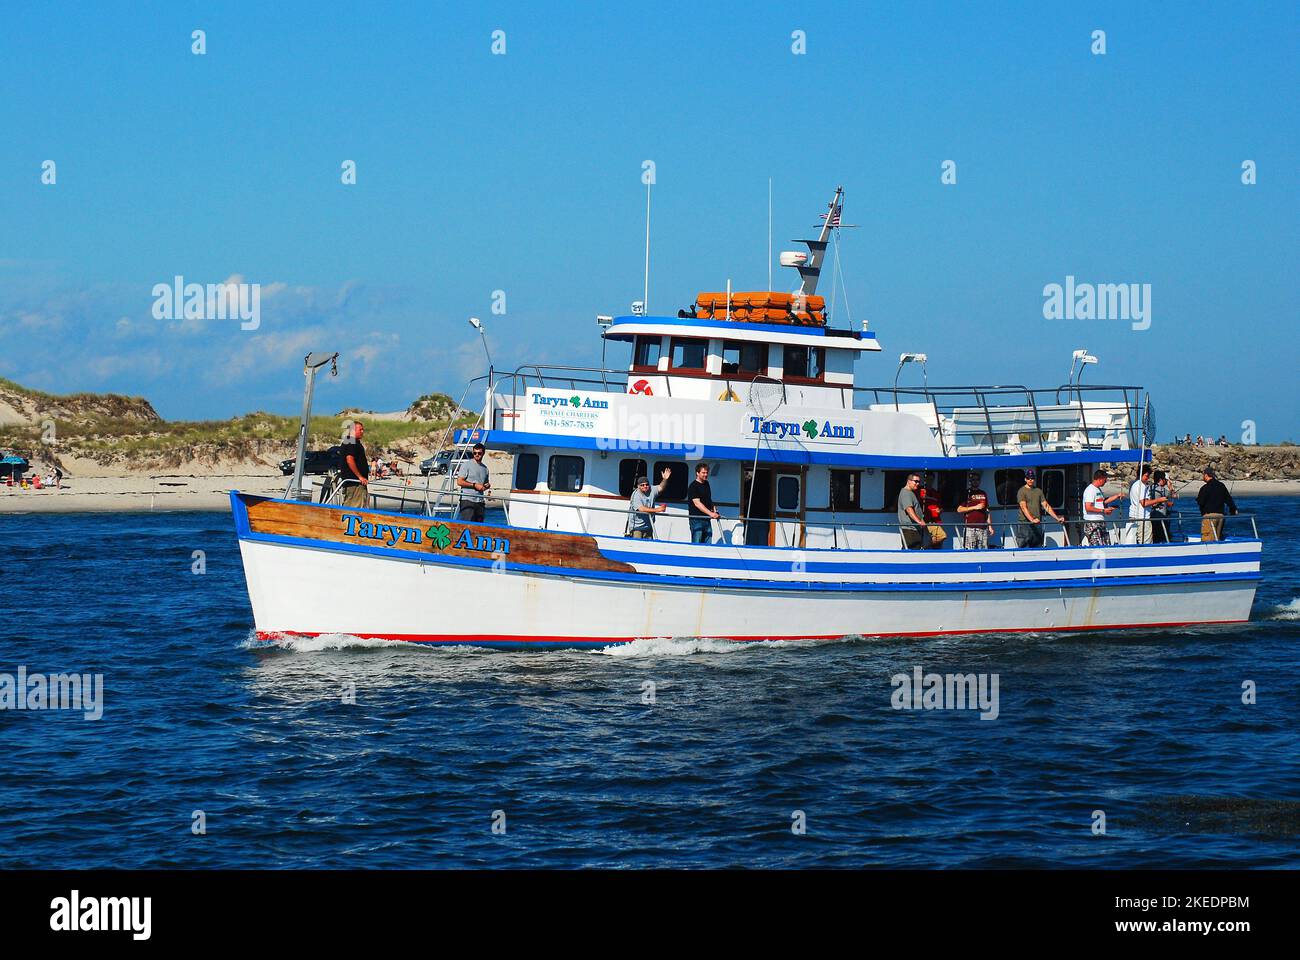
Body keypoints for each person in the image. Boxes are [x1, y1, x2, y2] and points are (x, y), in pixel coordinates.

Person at [1016, 468, 1064, 548]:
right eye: (1028, 478)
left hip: (1037, 524)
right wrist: (1032, 520)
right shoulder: (1021, 491)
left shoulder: (1038, 491)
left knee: (1037, 548)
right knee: (1023, 549)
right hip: (1024, 524)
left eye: (1032, 478)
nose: (1030, 480)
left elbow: (1046, 506)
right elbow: (1023, 507)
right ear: (1025, 479)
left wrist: (1057, 518)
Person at [625, 468, 672, 539]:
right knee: (637, 546)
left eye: (647, 484)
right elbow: (641, 509)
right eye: (642, 485)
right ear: (638, 486)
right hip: (637, 528)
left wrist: (665, 479)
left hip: (649, 526)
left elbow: (661, 487)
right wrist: (658, 509)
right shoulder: (635, 495)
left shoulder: (651, 489)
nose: (645, 486)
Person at [1082, 469, 1124, 546]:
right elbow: (1088, 507)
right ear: (1100, 479)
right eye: (1105, 480)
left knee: (1105, 544)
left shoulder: (1098, 490)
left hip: (1100, 522)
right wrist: (1103, 510)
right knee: (1097, 546)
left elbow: (1102, 502)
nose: (1106, 482)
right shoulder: (1090, 490)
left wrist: (1117, 496)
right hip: (1092, 522)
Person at [1195, 466, 1237, 542]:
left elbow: (1200, 502)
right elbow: (1229, 500)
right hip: (1221, 516)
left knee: (1207, 539)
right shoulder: (1221, 486)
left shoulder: (1205, 488)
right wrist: (1233, 510)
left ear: (1206, 475)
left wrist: (1198, 500)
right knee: (1218, 538)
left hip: (1209, 516)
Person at [1127, 465, 1164, 544]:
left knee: (1137, 540)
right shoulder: (1141, 486)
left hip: (1135, 516)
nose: (1147, 478)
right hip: (1141, 518)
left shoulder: (1134, 484)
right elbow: (1144, 503)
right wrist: (1159, 499)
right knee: (1146, 542)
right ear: (1141, 474)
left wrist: (1154, 504)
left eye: (1148, 476)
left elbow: (1141, 503)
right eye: (1146, 476)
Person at [956, 471, 993, 550]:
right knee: (970, 551)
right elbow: (959, 509)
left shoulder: (983, 493)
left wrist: (990, 526)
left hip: (983, 527)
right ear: (970, 481)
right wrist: (975, 507)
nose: (975, 481)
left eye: (977, 479)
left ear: (980, 481)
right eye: (973, 480)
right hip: (970, 527)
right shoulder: (966, 493)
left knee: (983, 550)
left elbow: (987, 511)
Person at [455, 443, 491, 522]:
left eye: (479, 453)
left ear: (483, 453)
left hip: (480, 502)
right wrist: (474, 485)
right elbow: (459, 481)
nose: (477, 455)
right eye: (475, 453)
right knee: (467, 526)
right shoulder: (466, 465)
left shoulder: (485, 469)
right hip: (467, 500)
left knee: (479, 527)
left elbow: (484, 485)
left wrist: (486, 486)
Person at [338, 420, 370, 508]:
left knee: (362, 506)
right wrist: (360, 477)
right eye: (360, 429)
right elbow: (349, 459)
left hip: (357, 483)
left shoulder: (353, 442)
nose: (362, 432)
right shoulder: (351, 441)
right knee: (353, 508)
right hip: (354, 483)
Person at [687, 463, 720, 544]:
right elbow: (697, 503)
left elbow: (708, 499)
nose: (706, 474)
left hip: (706, 519)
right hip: (696, 519)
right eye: (703, 473)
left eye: (707, 472)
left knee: (708, 543)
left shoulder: (706, 484)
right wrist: (711, 514)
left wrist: (713, 507)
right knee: (696, 544)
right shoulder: (693, 486)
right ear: (697, 473)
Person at [897, 472, 927, 549]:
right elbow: (909, 509)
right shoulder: (906, 493)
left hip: (913, 529)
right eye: (916, 481)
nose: (917, 484)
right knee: (911, 553)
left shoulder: (910, 493)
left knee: (911, 553)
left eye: (919, 482)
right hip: (910, 530)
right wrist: (919, 522)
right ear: (909, 481)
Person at [917, 474, 947, 548]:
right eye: (927, 479)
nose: (929, 481)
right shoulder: (919, 490)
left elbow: (942, 507)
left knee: (940, 539)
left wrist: (939, 510)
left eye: (931, 479)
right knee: (922, 539)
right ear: (924, 480)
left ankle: (926, 548)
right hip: (923, 520)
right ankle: (924, 548)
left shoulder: (936, 493)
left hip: (935, 520)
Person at [1149, 469, 1174, 543]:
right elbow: (1171, 495)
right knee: (1162, 535)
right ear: (1161, 479)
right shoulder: (1161, 489)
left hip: (1151, 515)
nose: (1165, 481)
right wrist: (1170, 487)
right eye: (1164, 479)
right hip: (1161, 515)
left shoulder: (1150, 487)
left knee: (1154, 534)